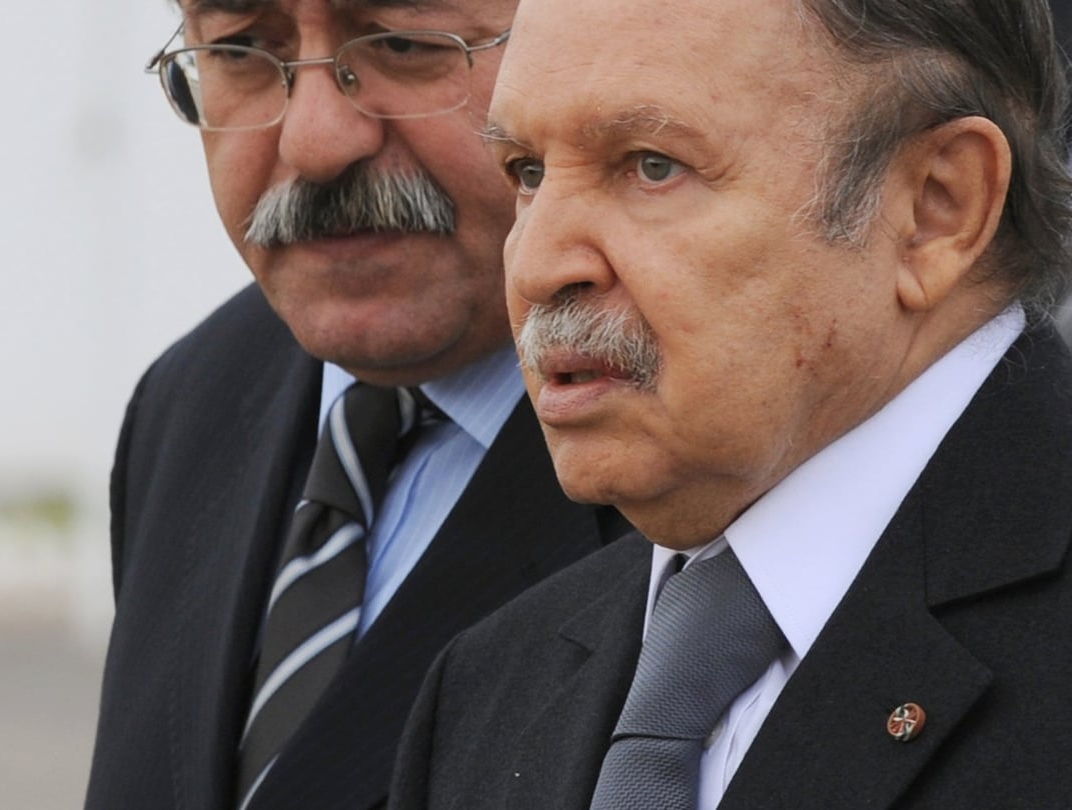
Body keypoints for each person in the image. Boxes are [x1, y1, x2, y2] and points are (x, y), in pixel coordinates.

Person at [390, 0, 1072, 807]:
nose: (536, 266)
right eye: (527, 173)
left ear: (936, 206)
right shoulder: (487, 687)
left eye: (650, 165)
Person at [82, 1, 629, 808]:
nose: (316, 142)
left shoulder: (712, 454)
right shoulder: (194, 398)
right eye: (239, 51)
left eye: (403, 43)